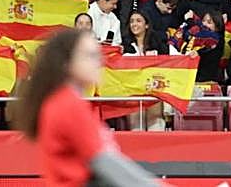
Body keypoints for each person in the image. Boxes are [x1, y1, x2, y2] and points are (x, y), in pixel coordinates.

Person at [13, 29, 161, 186]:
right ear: (66, 63)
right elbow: (103, 161)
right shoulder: (67, 104)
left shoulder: (64, 101)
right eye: (90, 56)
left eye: (98, 55)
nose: (98, 62)